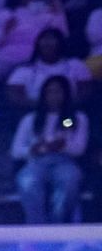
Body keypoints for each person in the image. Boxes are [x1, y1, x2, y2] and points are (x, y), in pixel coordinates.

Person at [12, 76, 87, 224]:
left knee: (69, 180)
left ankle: (59, 225)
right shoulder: (30, 119)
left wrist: (63, 146)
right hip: (36, 162)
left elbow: (79, 148)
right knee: (27, 181)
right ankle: (37, 226)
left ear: (66, 94)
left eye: (58, 92)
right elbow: (16, 150)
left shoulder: (78, 118)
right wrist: (33, 149)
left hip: (65, 162)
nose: (54, 96)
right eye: (50, 92)